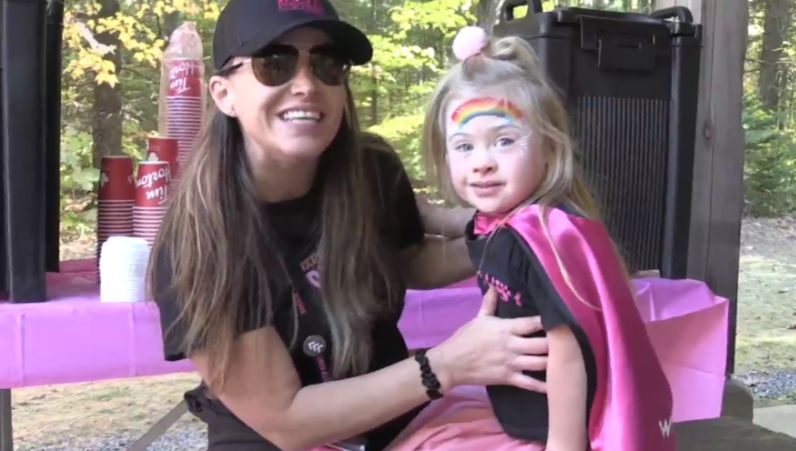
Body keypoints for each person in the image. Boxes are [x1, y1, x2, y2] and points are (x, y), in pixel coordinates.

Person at [147, 2, 551, 451]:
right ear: (223, 94)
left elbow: (410, 261)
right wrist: (449, 364)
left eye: (327, 64)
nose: (305, 84)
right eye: (274, 64)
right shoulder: (197, 241)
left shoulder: (371, 168)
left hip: (402, 424)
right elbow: (286, 420)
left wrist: (513, 234)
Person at [388, 27, 675, 451]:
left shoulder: (539, 238)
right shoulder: (512, 223)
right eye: (464, 147)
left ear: (547, 149)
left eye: (504, 141)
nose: (482, 163)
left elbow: (568, 351)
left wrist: (563, 444)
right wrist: (423, 214)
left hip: (554, 431)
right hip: (520, 419)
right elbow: (464, 226)